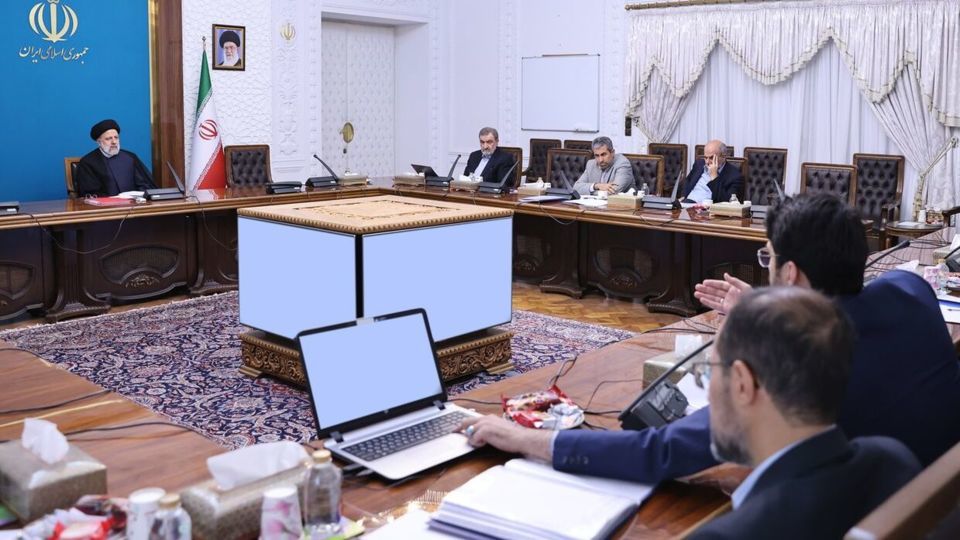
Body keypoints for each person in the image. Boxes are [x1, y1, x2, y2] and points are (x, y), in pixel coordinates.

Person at [458, 193, 960, 484]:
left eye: (768, 258)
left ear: (790, 274)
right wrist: (767, 307)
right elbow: (838, 306)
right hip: (928, 494)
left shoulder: (796, 362)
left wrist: (523, 438)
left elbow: (658, 452)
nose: (766, 267)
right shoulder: (911, 289)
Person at [688, 287, 919, 538]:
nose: (708, 394)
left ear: (743, 383)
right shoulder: (892, 459)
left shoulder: (726, 536)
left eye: (709, 371)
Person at [74, 119, 155, 197]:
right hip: (106, 206)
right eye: (108, 138)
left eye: (116, 137)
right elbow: (90, 194)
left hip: (134, 204)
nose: (114, 142)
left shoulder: (130, 157)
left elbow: (144, 185)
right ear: (99, 142)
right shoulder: (88, 162)